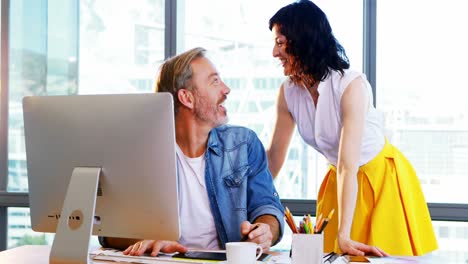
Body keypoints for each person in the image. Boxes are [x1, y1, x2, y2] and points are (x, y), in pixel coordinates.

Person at [266, 0, 437, 257]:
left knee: (373, 257)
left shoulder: (349, 85)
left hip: (379, 182)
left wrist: (343, 233)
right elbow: (274, 158)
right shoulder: (288, 93)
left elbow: (349, 163)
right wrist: (256, 211)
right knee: (329, 258)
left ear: (303, 40)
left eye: (280, 43)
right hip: (340, 182)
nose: (274, 53)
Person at [98, 47, 284, 256]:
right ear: (187, 98)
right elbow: (108, 228)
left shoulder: (244, 143)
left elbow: (267, 206)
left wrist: (265, 230)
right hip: (164, 262)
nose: (226, 90)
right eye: (214, 81)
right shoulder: (140, 150)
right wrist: (145, 238)